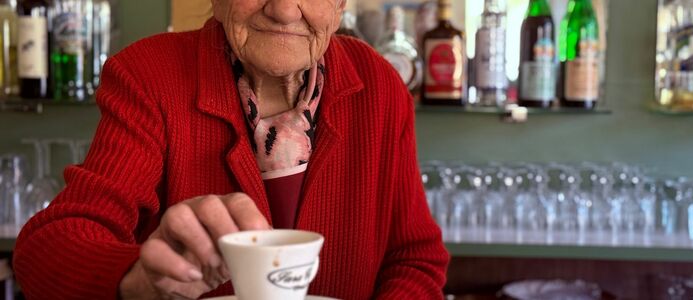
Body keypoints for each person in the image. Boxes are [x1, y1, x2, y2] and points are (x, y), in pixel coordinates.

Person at [12, 0, 450, 299]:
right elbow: (46, 252)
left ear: (340, 5)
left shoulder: (380, 85)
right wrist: (139, 278)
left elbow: (414, 258)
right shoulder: (148, 75)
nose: (282, 9)